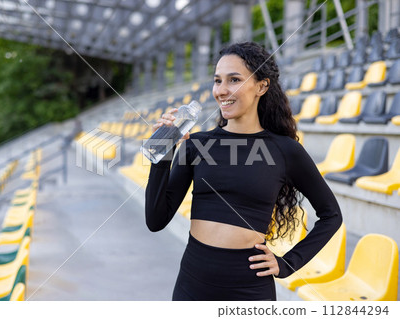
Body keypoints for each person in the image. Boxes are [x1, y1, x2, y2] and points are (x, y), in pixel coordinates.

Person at [144, 42, 343, 301]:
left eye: (234, 79)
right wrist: (163, 152)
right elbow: (155, 220)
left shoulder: (284, 150)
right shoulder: (197, 144)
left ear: (262, 86)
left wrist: (288, 264)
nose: (222, 90)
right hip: (192, 283)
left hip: (248, 288)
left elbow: (331, 215)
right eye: (217, 81)